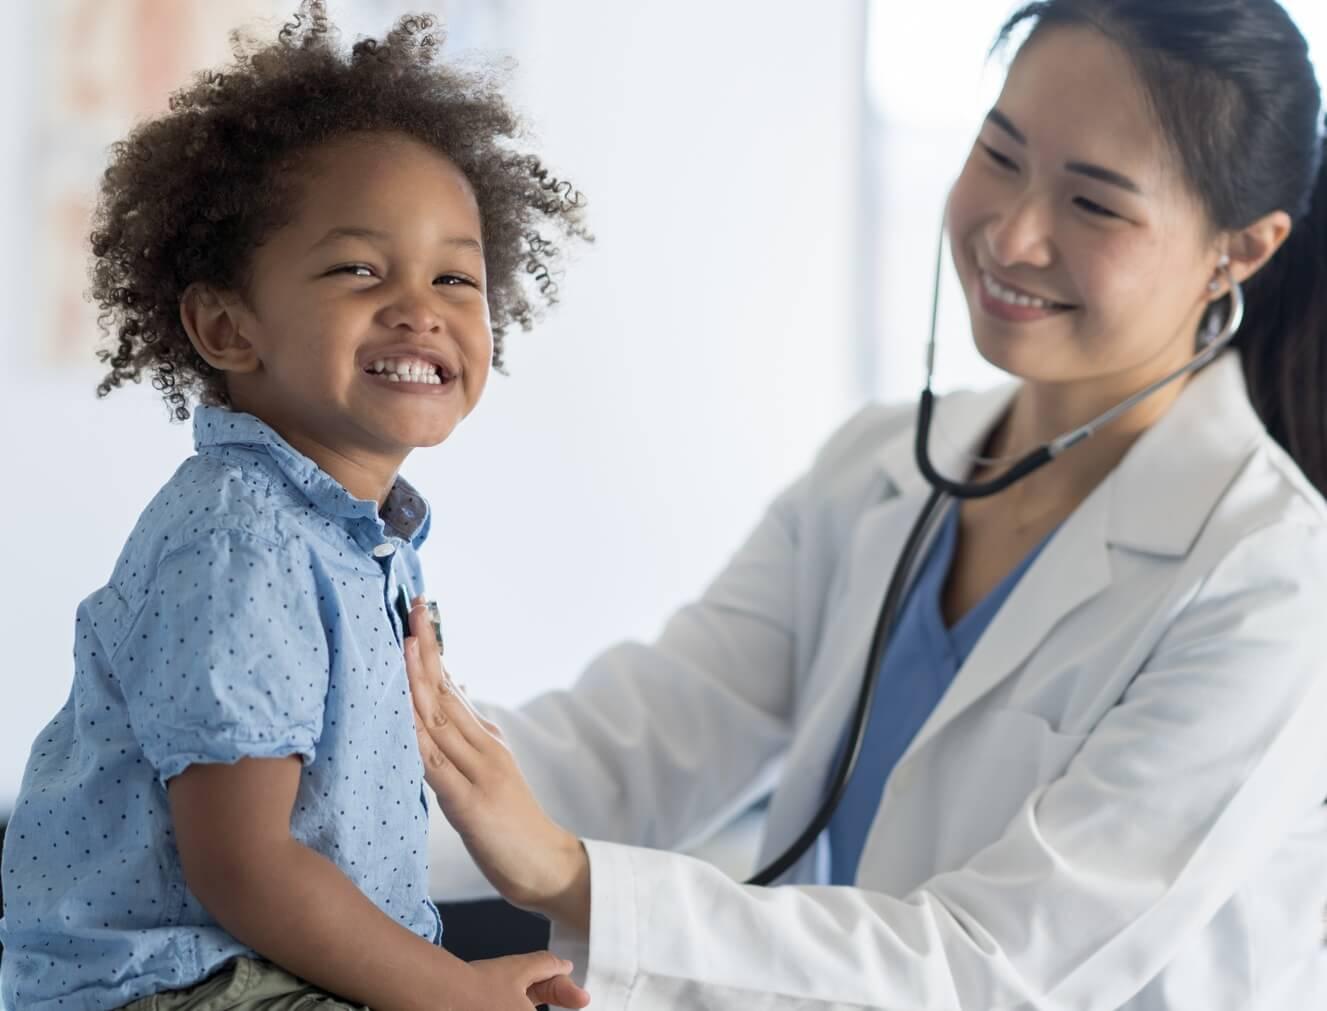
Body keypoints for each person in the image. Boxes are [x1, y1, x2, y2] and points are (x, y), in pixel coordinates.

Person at [414, 0, 1327, 1007]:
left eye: (1095, 205)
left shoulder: (1270, 580)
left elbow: (998, 966)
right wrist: (330, 775)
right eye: (998, 152)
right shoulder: (878, 469)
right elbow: (636, 741)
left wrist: (568, 877)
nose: (1013, 234)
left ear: (1238, 252)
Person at [0, 4, 592, 1010]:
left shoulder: (356, 537)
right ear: (229, 326)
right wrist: (454, 993)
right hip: (182, 984)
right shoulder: (245, 540)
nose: (420, 306)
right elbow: (247, 867)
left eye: (456, 275)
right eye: (359, 269)